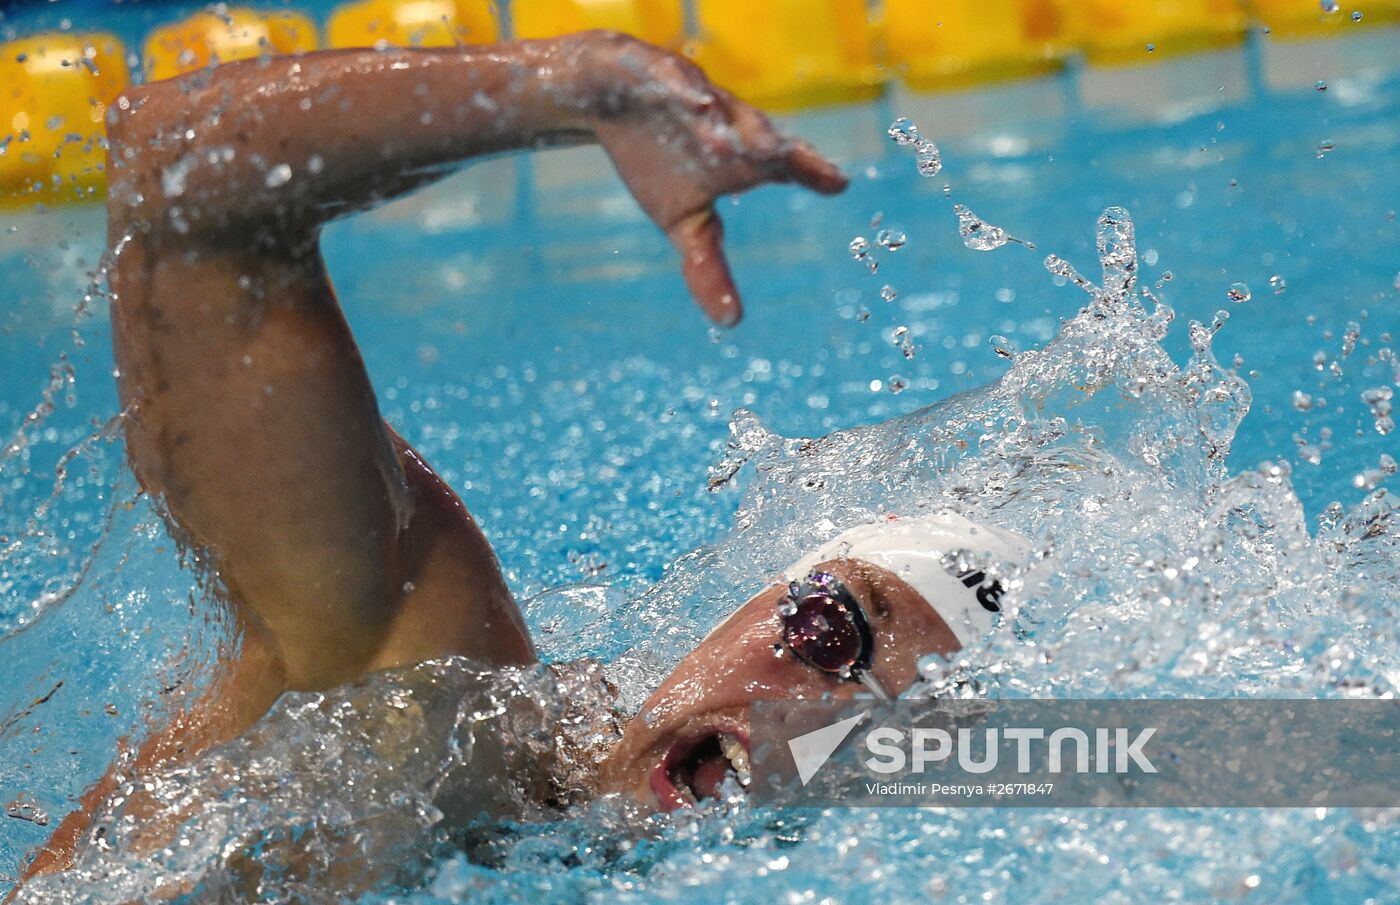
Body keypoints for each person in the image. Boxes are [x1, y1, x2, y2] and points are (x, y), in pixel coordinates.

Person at [16, 30, 1032, 887]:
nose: (805, 722)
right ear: (742, 607)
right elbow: (176, 168)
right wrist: (570, 90)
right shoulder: (425, 688)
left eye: (876, 738)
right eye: (824, 629)